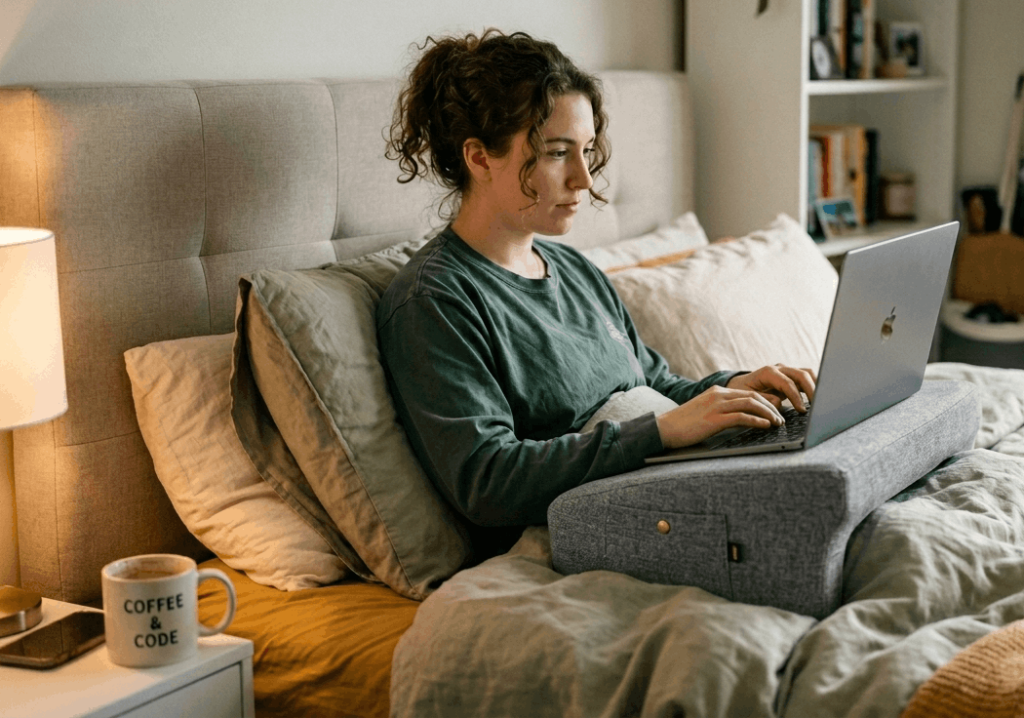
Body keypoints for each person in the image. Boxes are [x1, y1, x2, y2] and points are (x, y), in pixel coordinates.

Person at [378, 29, 816, 529]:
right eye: (557, 152)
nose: (584, 180)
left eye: (586, 151)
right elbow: (488, 481)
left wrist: (739, 388)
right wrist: (660, 433)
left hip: (673, 482)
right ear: (479, 157)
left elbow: (653, 383)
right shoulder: (434, 301)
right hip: (604, 520)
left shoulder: (573, 269)